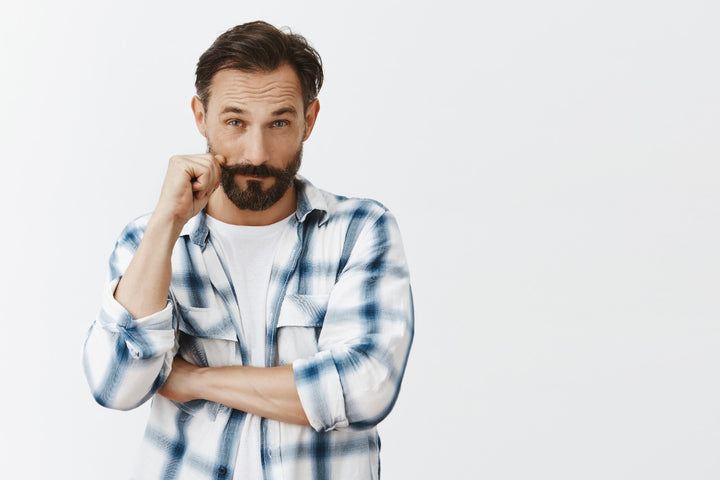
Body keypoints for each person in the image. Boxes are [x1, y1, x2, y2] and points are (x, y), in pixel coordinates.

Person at [82, 20, 414, 480]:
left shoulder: (359, 230)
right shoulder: (149, 240)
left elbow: (365, 389)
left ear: (309, 120)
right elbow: (115, 385)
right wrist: (166, 222)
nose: (256, 153)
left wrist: (193, 379)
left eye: (279, 122)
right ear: (201, 117)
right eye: (235, 122)